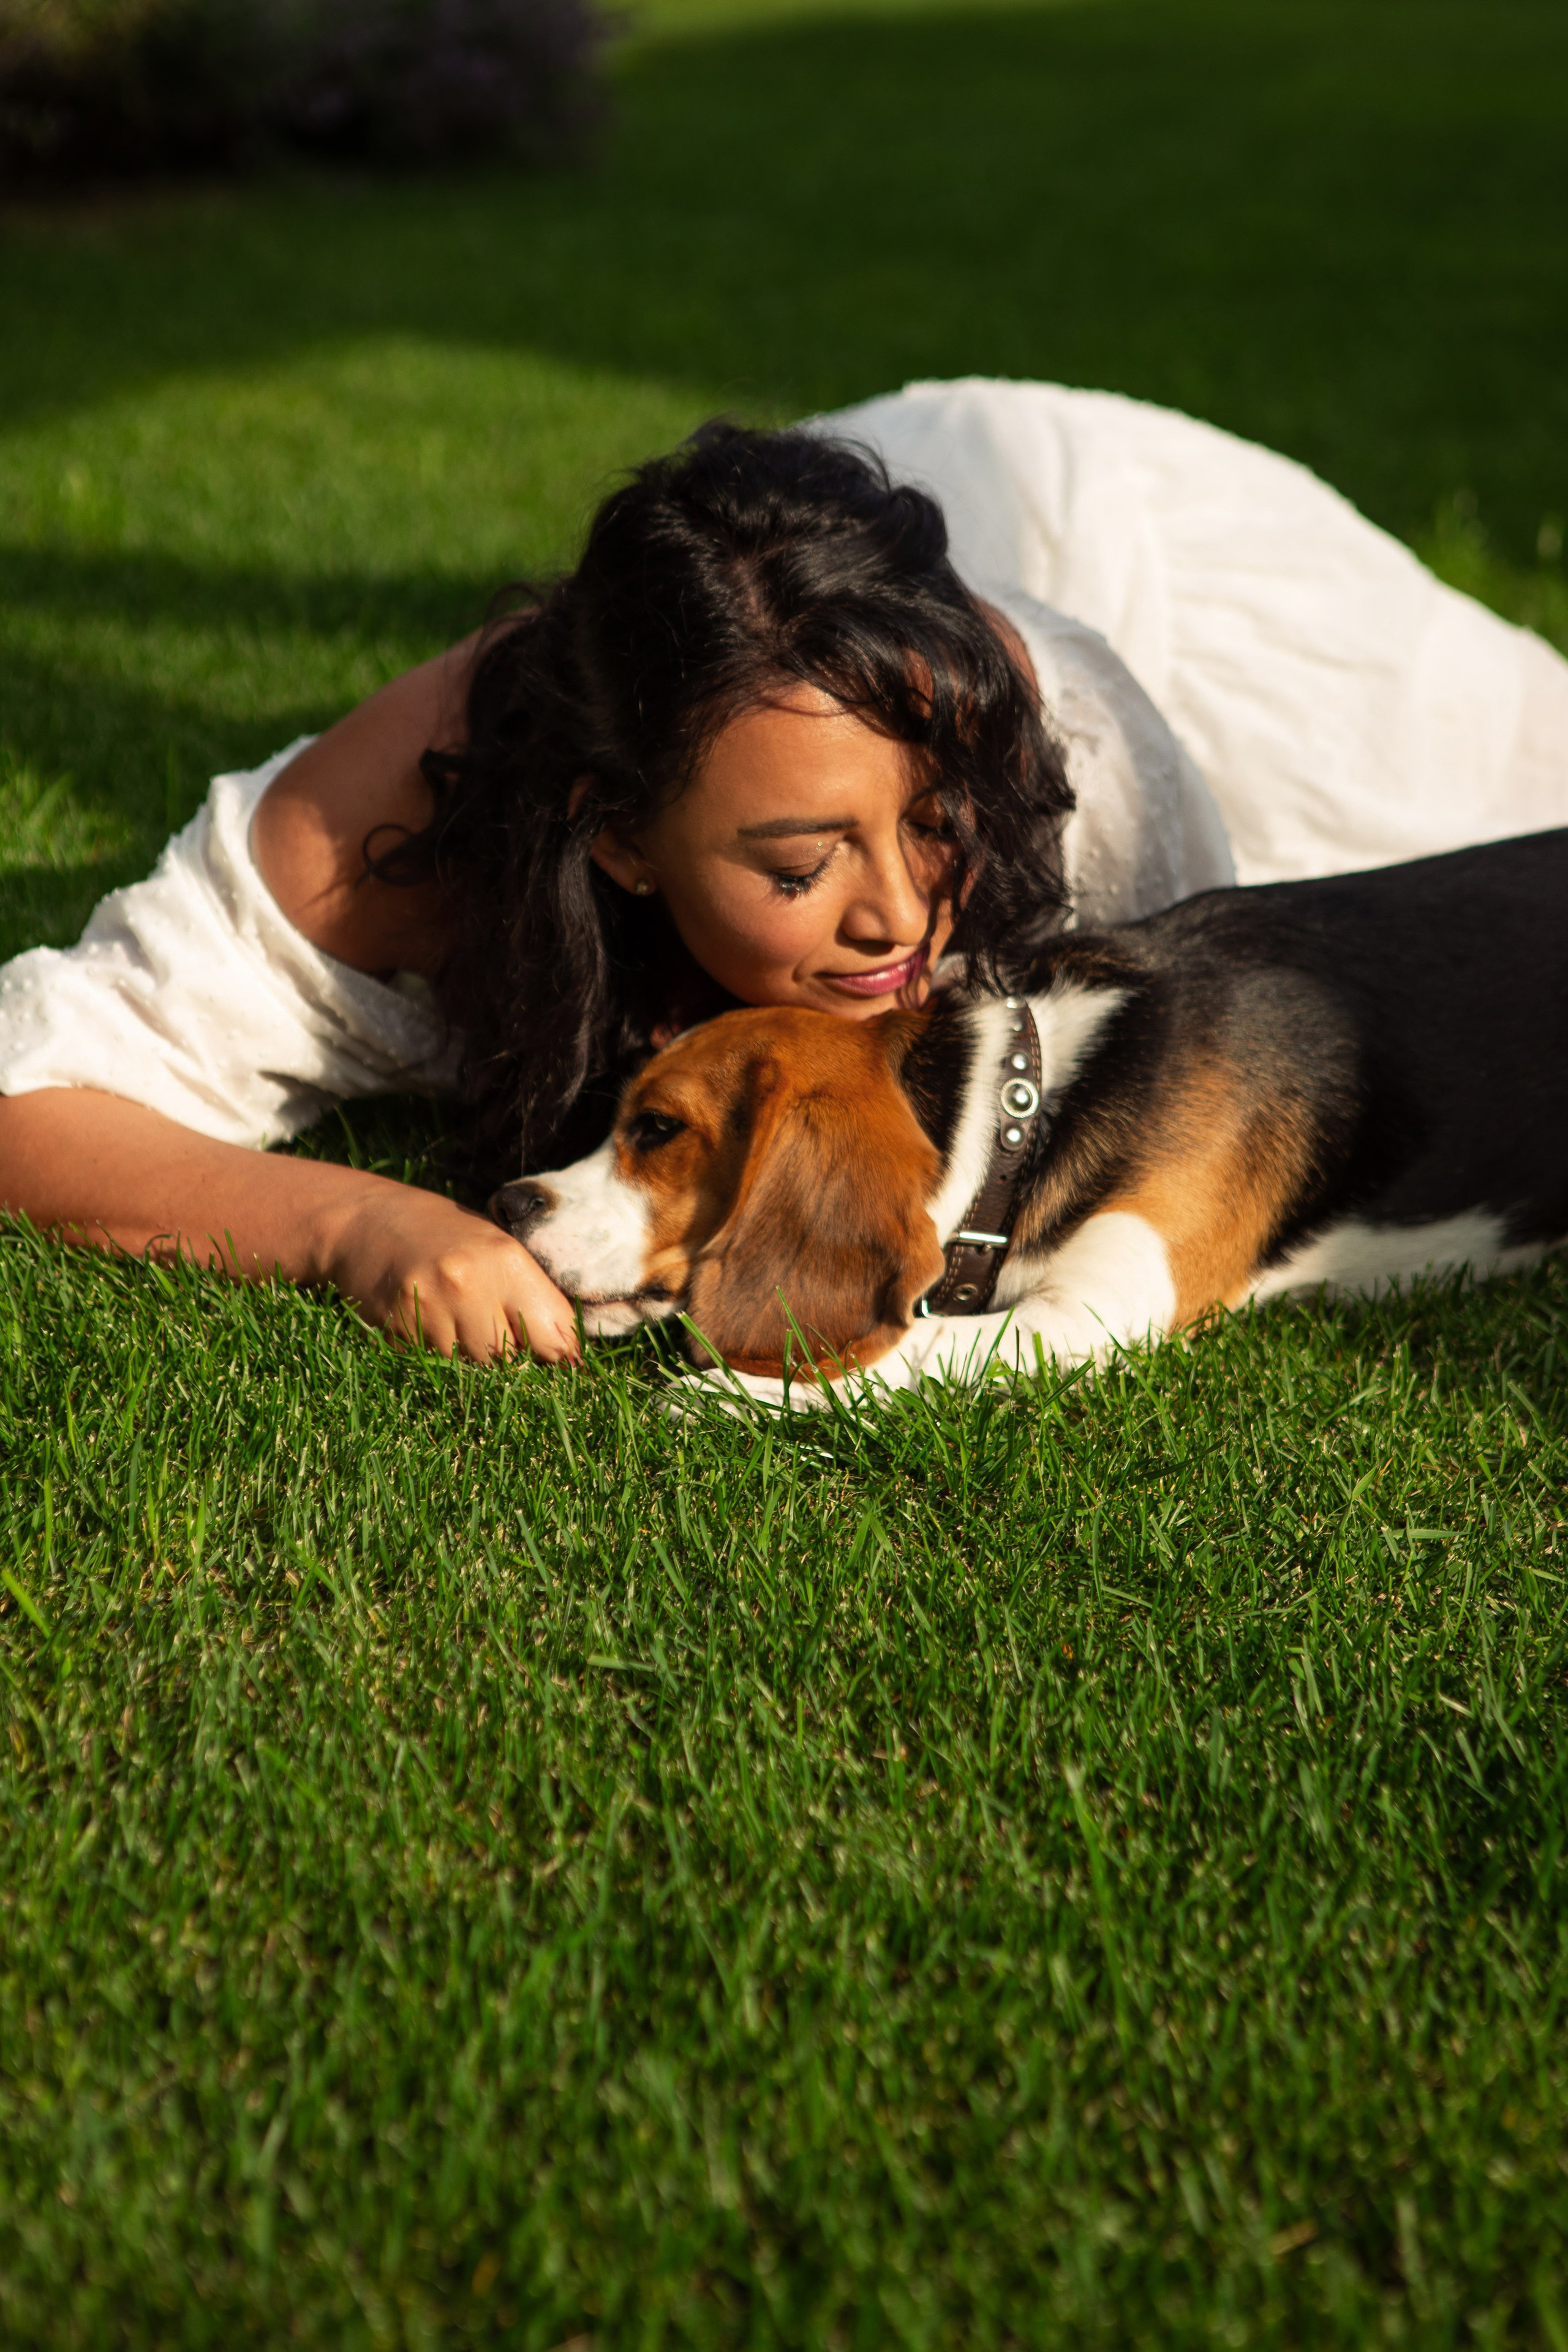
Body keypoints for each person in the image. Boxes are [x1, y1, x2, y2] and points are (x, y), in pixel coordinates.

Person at [1, 380, 1563, 1366]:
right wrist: (359, 1229)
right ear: (615, 833)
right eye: (804, 863)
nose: (896, 915)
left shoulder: (1081, 784)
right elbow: (30, 1096)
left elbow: (1233, 1073)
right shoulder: (375, 852)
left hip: (1131, 569)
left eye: (930, 827)